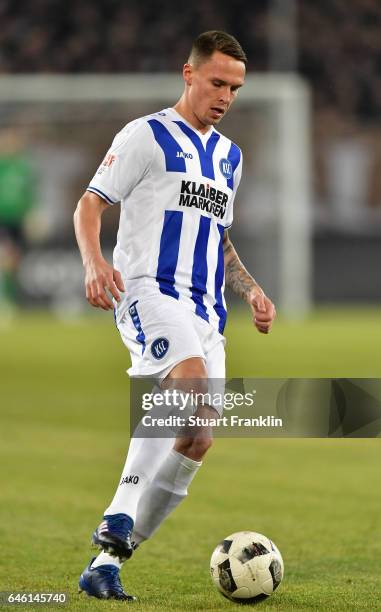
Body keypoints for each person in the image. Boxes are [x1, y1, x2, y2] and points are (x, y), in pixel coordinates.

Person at [74, 30, 276, 601]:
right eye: (217, 83)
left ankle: (108, 560)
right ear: (188, 75)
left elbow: (220, 240)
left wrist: (252, 289)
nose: (225, 96)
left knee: (198, 437)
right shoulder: (146, 136)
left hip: (206, 311)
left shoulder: (230, 157)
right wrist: (94, 263)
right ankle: (117, 513)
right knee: (187, 386)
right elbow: (90, 202)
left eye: (235, 88)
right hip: (147, 291)